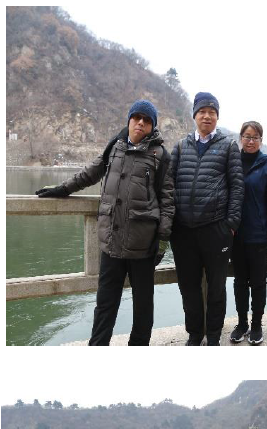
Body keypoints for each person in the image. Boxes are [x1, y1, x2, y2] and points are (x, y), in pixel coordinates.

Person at [35, 100, 174, 345]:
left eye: (147, 120)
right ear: (129, 120)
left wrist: (162, 242)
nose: (140, 123)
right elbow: (89, 174)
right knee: (105, 303)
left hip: (143, 245)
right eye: (136, 117)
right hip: (111, 242)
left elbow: (168, 200)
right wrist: (62, 189)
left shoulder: (160, 155)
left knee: (143, 306)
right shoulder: (114, 147)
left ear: (152, 126)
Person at [169, 92, 244, 346]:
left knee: (216, 287)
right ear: (194, 115)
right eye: (202, 111)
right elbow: (169, 184)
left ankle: (213, 335)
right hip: (183, 231)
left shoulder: (228, 146)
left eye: (212, 112)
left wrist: (230, 224)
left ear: (217, 117)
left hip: (216, 229)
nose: (207, 116)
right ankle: (194, 333)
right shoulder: (181, 146)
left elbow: (237, 186)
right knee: (188, 286)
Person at [229, 121, 267, 345]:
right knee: (240, 282)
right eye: (247, 137)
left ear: (261, 140)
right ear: (240, 138)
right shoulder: (232, 161)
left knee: (258, 282)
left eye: (255, 137)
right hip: (236, 233)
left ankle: (257, 324)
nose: (250, 141)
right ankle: (242, 324)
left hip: (259, 234)